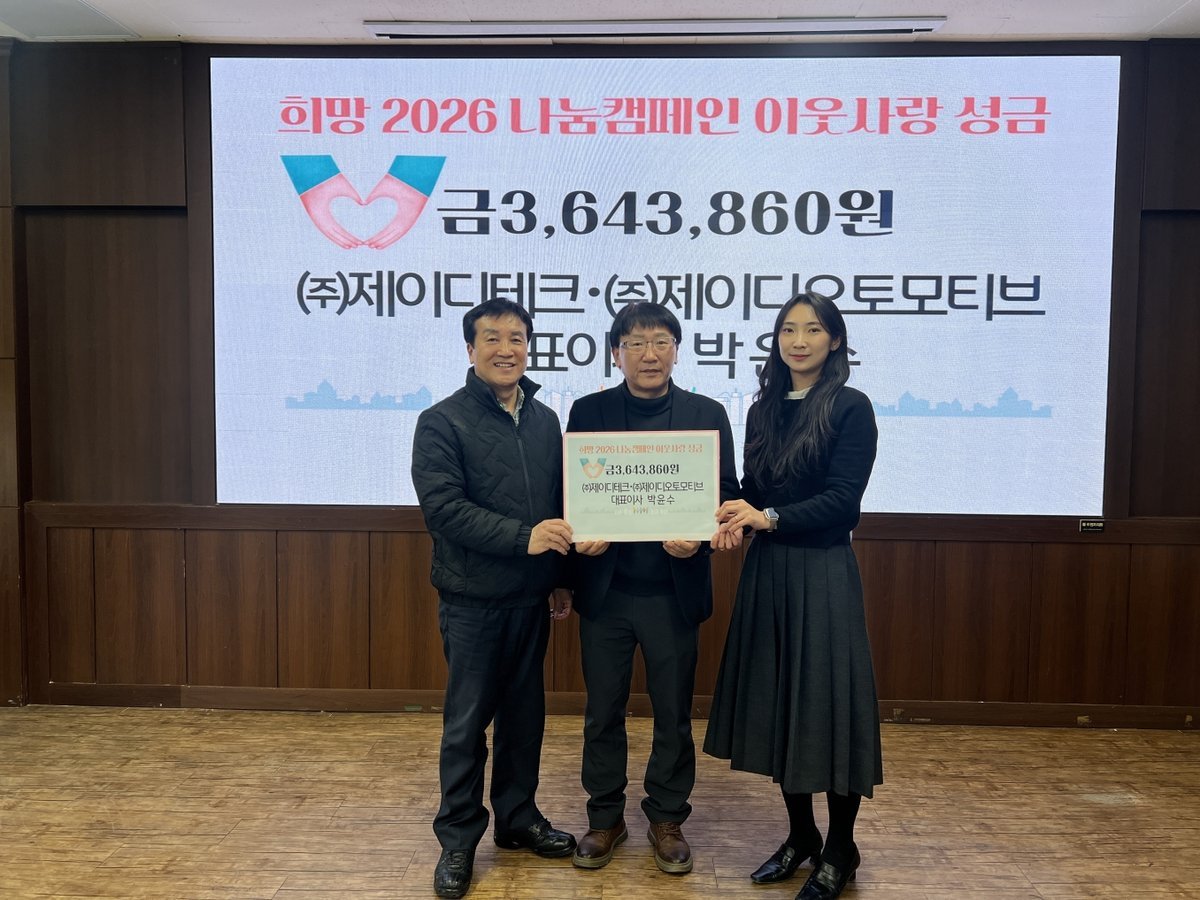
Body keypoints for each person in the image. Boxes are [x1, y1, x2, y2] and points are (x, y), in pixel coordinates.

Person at [704, 291, 882, 900]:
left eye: (812, 329)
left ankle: (841, 848)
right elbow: (757, 491)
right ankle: (802, 835)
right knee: (783, 704)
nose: (798, 340)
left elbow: (843, 501)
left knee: (827, 709)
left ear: (835, 340)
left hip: (822, 572)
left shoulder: (851, 407)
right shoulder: (763, 410)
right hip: (769, 572)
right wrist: (730, 512)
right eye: (787, 329)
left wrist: (769, 517)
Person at [566, 301, 740, 875]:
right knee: (602, 713)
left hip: (673, 592)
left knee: (673, 714)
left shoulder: (706, 414)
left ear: (676, 350)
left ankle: (667, 818)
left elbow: (725, 494)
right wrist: (579, 536)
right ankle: (604, 818)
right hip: (606, 593)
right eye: (636, 343)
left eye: (661, 341)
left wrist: (701, 537)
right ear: (616, 353)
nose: (649, 354)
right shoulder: (588, 412)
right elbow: (569, 492)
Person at [411, 298, 577, 900]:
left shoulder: (545, 421)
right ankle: (458, 840)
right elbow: (444, 510)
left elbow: (559, 506)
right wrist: (523, 538)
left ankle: (517, 819)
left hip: (530, 599)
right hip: (472, 601)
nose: (506, 350)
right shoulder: (441, 421)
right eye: (492, 338)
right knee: (466, 726)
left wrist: (560, 575)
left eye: (517, 338)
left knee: (524, 721)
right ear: (471, 348)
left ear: (528, 347)